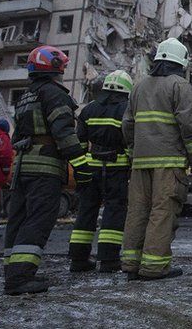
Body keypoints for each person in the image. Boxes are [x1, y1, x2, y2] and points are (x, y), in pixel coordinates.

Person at [4, 46, 90, 295]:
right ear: (56, 68)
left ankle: (12, 272)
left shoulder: (25, 96)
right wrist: (82, 167)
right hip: (45, 168)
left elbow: (17, 136)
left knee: (18, 220)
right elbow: (64, 134)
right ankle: (20, 278)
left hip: (22, 167)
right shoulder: (55, 94)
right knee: (38, 219)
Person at [121, 38, 192, 281]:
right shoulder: (180, 86)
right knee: (162, 211)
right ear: (181, 63)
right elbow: (189, 126)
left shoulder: (138, 87)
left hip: (140, 162)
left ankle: (131, 264)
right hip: (169, 162)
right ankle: (155, 267)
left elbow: (127, 124)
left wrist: (134, 151)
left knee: (137, 211)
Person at [68, 70, 133, 273]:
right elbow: (129, 140)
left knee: (86, 210)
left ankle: (78, 259)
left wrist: (81, 164)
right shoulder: (126, 109)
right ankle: (109, 259)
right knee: (114, 211)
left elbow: (78, 140)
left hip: (91, 166)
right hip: (117, 168)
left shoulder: (89, 109)